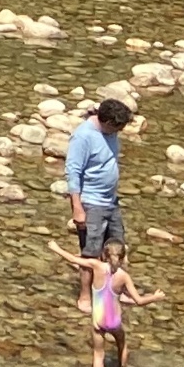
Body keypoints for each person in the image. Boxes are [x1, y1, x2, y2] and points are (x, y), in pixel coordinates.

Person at [62, 95, 135, 258]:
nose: (120, 131)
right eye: (119, 127)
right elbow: (73, 171)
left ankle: (110, 283)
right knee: (91, 253)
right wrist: (77, 209)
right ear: (109, 123)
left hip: (111, 201)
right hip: (91, 203)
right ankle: (87, 284)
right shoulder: (83, 136)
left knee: (117, 250)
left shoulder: (108, 129)